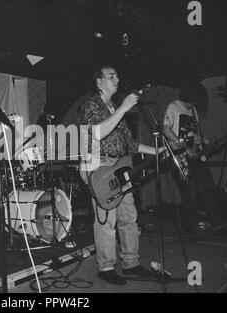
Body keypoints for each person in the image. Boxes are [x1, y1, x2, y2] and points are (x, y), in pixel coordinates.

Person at [77, 65, 160, 285]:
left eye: (117, 75)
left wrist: (158, 151)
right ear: (98, 82)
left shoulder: (114, 108)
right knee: (107, 221)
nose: (117, 79)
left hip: (121, 166)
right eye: (111, 76)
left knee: (128, 217)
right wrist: (124, 108)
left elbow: (129, 143)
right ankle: (105, 267)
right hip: (101, 166)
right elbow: (97, 133)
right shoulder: (90, 105)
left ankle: (131, 262)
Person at [162, 82, 221, 237]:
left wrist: (205, 141)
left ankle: (217, 225)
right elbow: (166, 129)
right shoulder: (174, 106)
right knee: (190, 194)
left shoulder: (193, 111)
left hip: (195, 157)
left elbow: (193, 135)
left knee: (209, 189)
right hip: (178, 158)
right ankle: (188, 230)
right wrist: (184, 148)